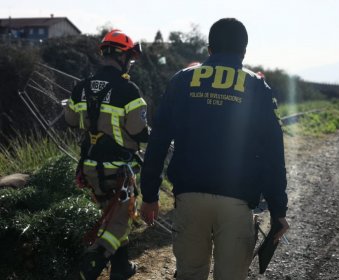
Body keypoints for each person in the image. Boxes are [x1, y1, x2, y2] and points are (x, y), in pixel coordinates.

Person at [140, 18, 289, 280]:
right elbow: (273, 153)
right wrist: (278, 210)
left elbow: (158, 140)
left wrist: (150, 194)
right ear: (244, 51)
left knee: (189, 274)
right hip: (237, 200)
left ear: (209, 49)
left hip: (189, 198)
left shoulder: (182, 80)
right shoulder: (257, 85)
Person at [65, 29, 149, 280]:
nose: (131, 64)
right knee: (118, 223)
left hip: (89, 167)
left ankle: (121, 268)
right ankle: (88, 268)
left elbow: (70, 119)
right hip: (118, 170)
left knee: (112, 218)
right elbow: (139, 132)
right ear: (123, 57)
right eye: (130, 59)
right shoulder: (128, 89)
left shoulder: (81, 87)